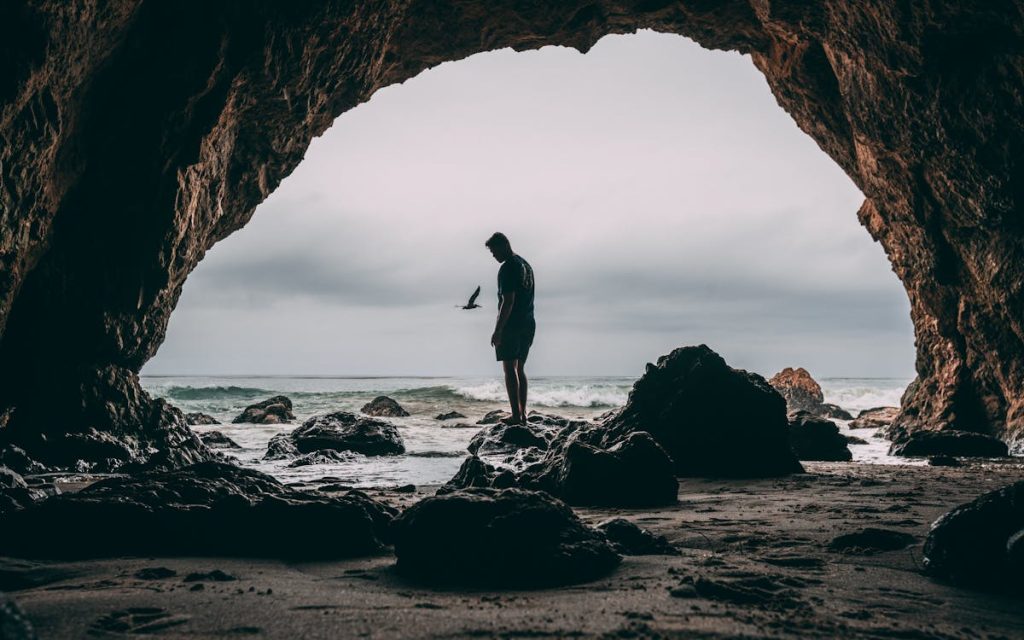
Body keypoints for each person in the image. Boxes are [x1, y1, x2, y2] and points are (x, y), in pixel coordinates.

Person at [485, 232, 535, 425]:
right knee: (520, 368)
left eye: (493, 251)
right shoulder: (526, 265)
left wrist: (498, 330)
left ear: (503, 245)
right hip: (529, 322)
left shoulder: (507, 268)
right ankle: (523, 415)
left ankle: (516, 416)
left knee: (509, 368)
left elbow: (508, 301)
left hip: (512, 325)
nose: (493, 256)